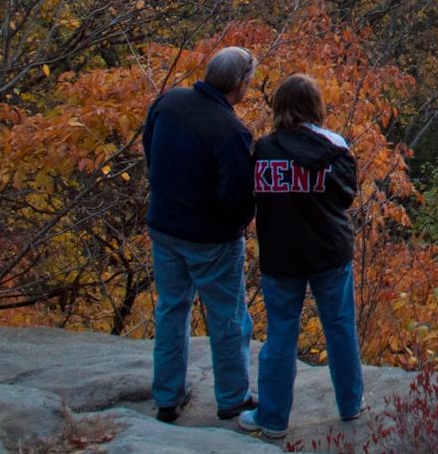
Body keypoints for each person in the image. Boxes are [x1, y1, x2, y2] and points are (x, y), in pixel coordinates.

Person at [238, 74, 364, 439]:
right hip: (329, 252)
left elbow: (253, 197)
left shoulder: (263, 149)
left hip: (281, 255)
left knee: (280, 336)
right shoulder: (334, 146)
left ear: (278, 106)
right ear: (316, 106)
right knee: (340, 328)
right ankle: (350, 404)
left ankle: (273, 418)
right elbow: (345, 197)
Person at [141, 46, 258, 423]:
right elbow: (237, 196)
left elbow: (150, 150)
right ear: (240, 84)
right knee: (227, 318)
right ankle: (232, 398)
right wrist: (238, 225)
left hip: (164, 226)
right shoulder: (231, 132)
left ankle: (166, 398)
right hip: (212, 239)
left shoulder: (168, 103)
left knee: (171, 311)